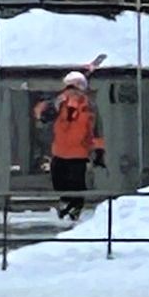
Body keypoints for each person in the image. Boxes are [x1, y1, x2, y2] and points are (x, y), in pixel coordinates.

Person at [36, 71, 104, 220]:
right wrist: (54, 106)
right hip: (59, 151)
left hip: (79, 153)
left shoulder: (89, 106)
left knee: (76, 183)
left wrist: (99, 151)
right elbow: (43, 117)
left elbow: (96, 130)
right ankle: (65, 204)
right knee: (59, 181)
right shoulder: (59, 102)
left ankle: (74, 208)